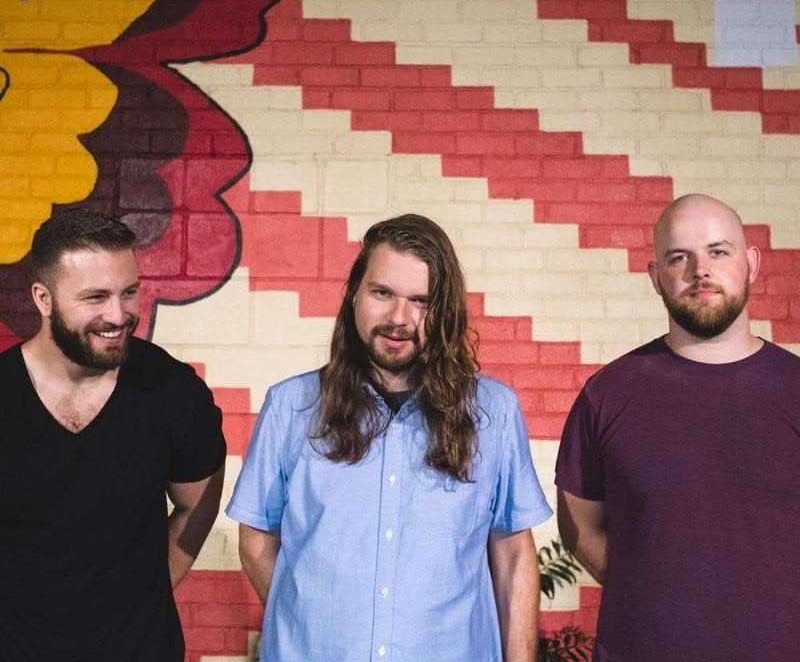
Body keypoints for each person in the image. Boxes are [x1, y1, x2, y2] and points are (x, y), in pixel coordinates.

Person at [227, 213, 552, 662]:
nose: (399, 318)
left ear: (444, 311)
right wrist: (311, 625)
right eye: (382, 293)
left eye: (421, 300)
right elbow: (257, 540)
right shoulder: (290, 406)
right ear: (354, 295)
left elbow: (513, 555)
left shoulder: (493, 412)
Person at [556, 193, 800, 662]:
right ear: (655, 277)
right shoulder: (607, 395)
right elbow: (581, 528)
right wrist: (650, 593)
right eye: (678, 257)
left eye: (718, 251)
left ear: (751, 264)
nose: (700, 270)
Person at [0, 208, 226, 661]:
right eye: (95, 297)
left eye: (129, 292)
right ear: (44, 299)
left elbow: (196, 503)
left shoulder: (172, 390)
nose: (118, 314)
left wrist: (148, 590)